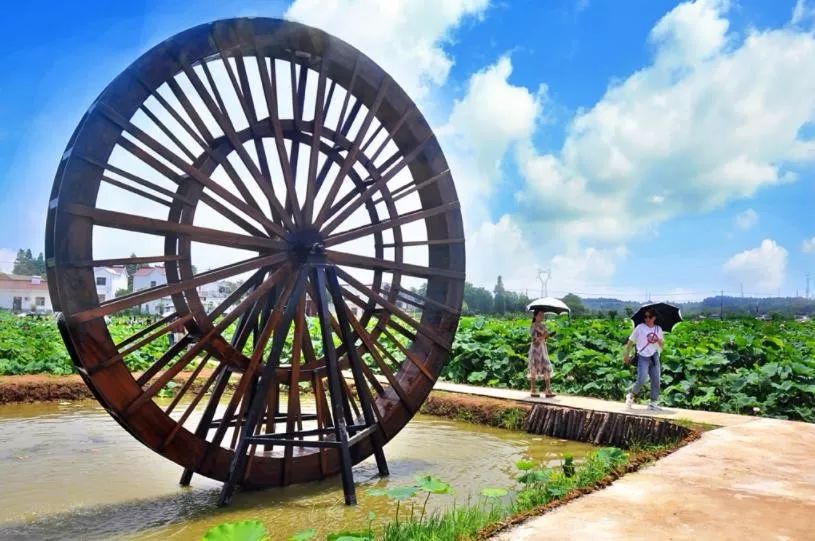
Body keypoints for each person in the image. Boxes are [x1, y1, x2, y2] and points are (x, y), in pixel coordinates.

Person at [623, 309, 664, 410]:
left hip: (654, 356)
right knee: (642, 379)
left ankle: (653, 403)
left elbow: (662, 345)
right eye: (645, 317)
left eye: (649, 317)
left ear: (654, 318)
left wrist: (657, 339)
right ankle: (631, 396)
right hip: (642, 356)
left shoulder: (658, 329)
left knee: (656, 380)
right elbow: (630, 342)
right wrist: (626, 355)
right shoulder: (640, 328)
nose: (647, 319)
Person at [528, 309, 555, 398]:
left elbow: (545, 336)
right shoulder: (533, 326)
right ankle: (533, 390)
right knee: (534, 368)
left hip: (543, 349)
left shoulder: (543, 325)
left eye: (542, 315)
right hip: (535, 350)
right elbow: (534, 341)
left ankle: (548, 390)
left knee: (546, 367)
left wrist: (546, 335)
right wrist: (543, 335)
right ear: (535, 316)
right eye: (540, 315)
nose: (542, 317)